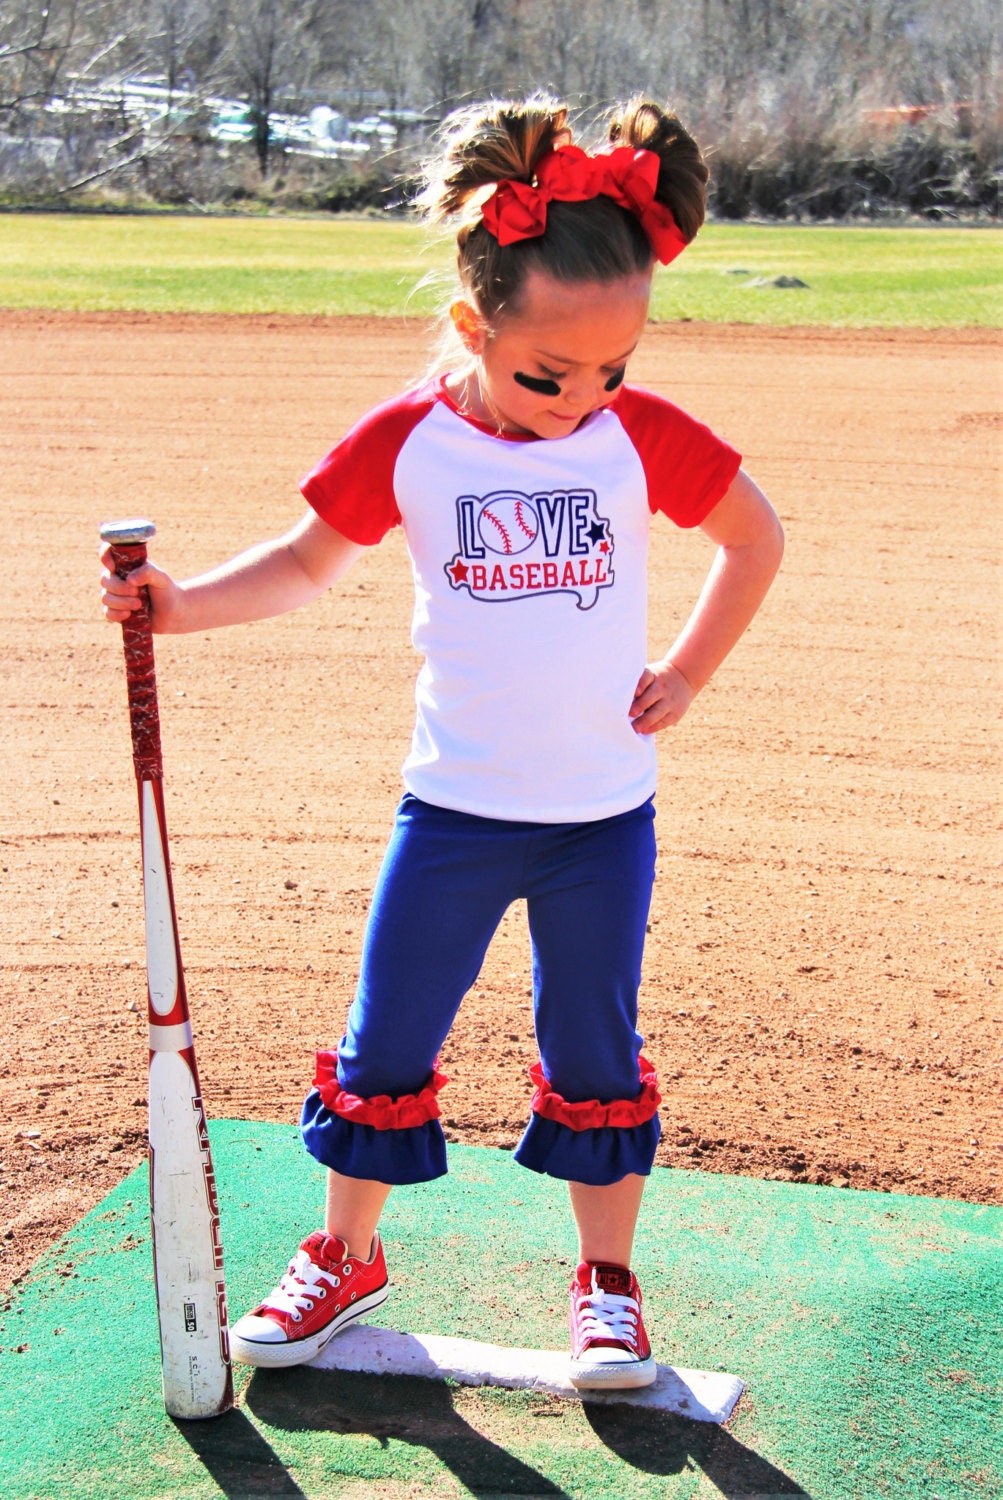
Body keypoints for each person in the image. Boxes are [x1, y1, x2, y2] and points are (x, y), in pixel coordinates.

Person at [101, 95, 784, 1391]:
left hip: (600, 820)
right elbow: (304, 563)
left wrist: (688, 671)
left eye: (612, 369)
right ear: (474, 326)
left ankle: (608, 1285)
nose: (582, 398)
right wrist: (178, 607)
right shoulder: (409, 441)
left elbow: (756, 536)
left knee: (594, 1052)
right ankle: (346, 1255)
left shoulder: (636, 437)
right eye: (549, 373)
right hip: (455, 814)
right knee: (388, 1041)